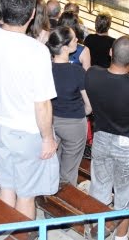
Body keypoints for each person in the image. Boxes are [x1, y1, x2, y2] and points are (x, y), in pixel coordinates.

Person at [0, 0, 59, 220]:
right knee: (26, 195)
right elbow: (42, 103)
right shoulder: (36, 51)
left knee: (7, 187)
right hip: (26, 132)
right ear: (32, 14)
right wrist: (48, 138)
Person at [85, 35, 129, 240]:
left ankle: (97, 233)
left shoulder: (92, 74)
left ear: (110, 53)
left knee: (99, 190)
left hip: (101, 139)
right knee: (126, 195)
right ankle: (121, 237)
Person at [48, 26, 91, 185]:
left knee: (53, 162)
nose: (77, 40)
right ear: (65, 47)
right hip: (73, 124)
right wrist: (83, 113)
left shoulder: (45, 68)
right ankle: (63, 206)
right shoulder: (77, 72)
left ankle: (50, 199)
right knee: (69, 171)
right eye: (74, 39)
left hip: (50, 121)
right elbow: (89, 105)